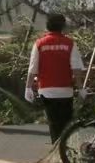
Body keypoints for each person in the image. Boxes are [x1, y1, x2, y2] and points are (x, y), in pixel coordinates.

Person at [25, 14, 86, 143]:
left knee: (53, 122)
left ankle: (57, 146)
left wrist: (28, 87)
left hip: (46, 90)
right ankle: (65, 148)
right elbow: (76, 69)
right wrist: (81, 88)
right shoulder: (70, 44)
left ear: (47, 26)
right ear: (63, 26)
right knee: (66, 123)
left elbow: (33, 69)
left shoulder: (39, 44)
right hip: (65, 90)